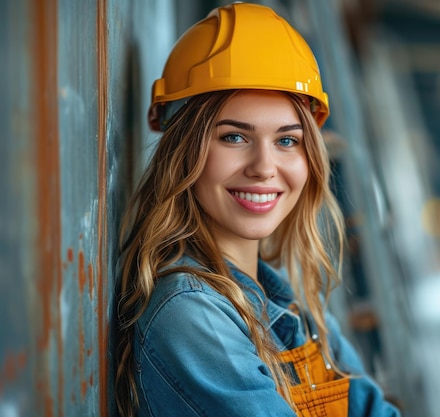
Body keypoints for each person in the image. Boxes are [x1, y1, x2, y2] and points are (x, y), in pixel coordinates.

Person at [113, 2, 401, 416]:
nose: (264, 167)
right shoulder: (190, 316)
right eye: (234, 137)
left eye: (287, 140)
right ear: (183, 153)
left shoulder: (290, 304)